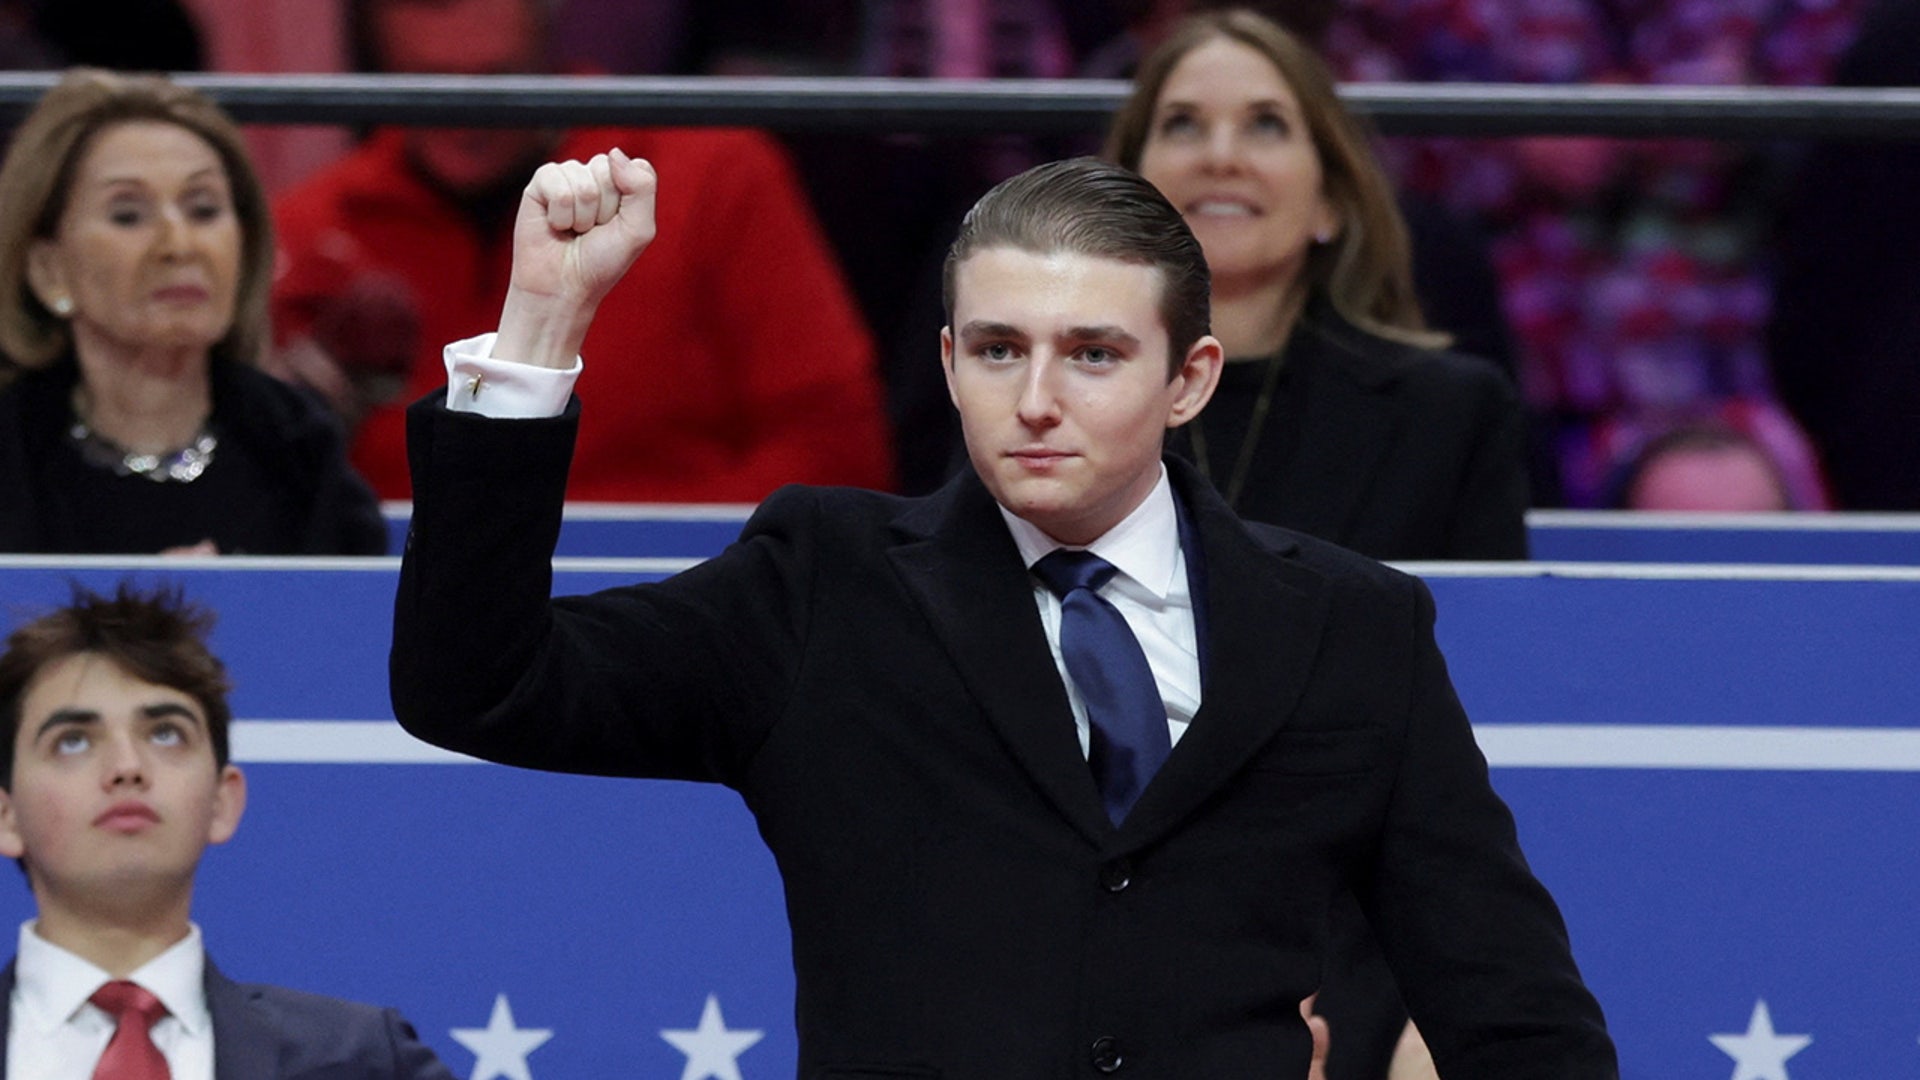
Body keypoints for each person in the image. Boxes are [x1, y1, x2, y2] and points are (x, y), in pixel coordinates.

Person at [389, 149, 1617, 1076]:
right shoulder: (825, 582)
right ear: (946, 363)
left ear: (1187, 379)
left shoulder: (1352, 627)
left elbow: (1510, 1010)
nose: (1035, 399)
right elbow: (477, 685)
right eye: (996, 350)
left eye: (1091, 354)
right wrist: (540, 328)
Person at [270, 0, 894, 502]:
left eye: (496, 81)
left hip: (687, 599)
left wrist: (683, 579)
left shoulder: (714, 173)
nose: (464, 117)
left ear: (547, 36)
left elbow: (837, 446)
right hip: (418, 598)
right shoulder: (310, 227)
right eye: (427, 85)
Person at [1105, 9, 1530, 562]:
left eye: (1266, 125)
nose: (1221, 157)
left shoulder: (1450, 414)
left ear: (1328, 202)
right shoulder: (1045, 394)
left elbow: (1490, 636)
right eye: (1183, 124)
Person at [0, 582, 454, 1078]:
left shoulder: (361, 1059)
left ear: (223, 800)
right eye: (72, 742)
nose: (127, 767)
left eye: (166, 733)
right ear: (6, 815)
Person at [0, 69, 386, 556]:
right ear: (48, 269)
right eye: (128, 214)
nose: (179, 246)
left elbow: (360, 622)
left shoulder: (296, 444)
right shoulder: (12, 452)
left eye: (203, 209)